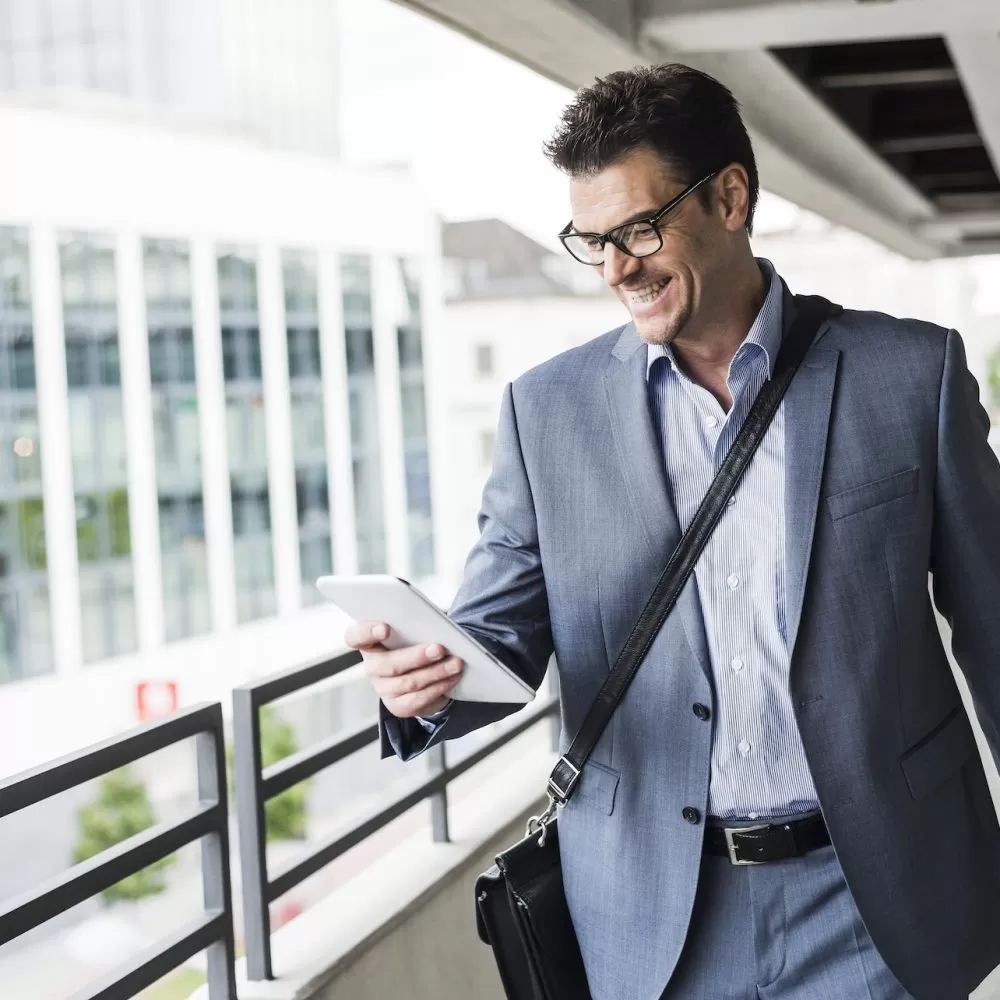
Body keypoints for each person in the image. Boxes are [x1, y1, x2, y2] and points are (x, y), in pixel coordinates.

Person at [345, 63, 1000, 1000]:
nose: (617, 268)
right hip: (655, 922)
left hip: (872, 900)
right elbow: (497, 647)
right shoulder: (547, 415)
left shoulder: (911, 376)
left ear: (731, 197)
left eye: (641, 229)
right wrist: (425, 689)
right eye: (592, 240)